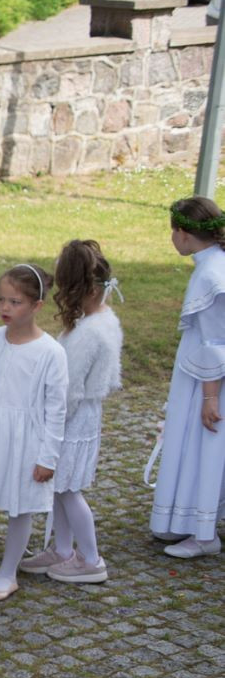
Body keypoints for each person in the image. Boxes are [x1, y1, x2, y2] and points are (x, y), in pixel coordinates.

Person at [0, 264, 68, 603]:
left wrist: (48, 457)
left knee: (19, 507)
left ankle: (8, 572)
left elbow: (56, 410)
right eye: (1, 300)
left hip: (25, 443)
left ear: (37, 305)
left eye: (15, 302)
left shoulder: (51, 352)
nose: (5, 307)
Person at [28, 241, 123, 582]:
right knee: (59, 487)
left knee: (68, 490)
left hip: (73, 419)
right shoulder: (103, 319)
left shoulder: (88, 335)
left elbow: (70, 390)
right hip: (84, 415)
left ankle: (91, 558)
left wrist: (49, 419)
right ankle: (63, 549)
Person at [150, 197, 225, 559]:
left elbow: (215, 342)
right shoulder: (213, 263)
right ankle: (185, 518)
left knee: (202, 447)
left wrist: (210, 398)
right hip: (201, 373)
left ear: (182, 233)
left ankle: (204, 532)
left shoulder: (210, 275)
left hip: (206, 380)